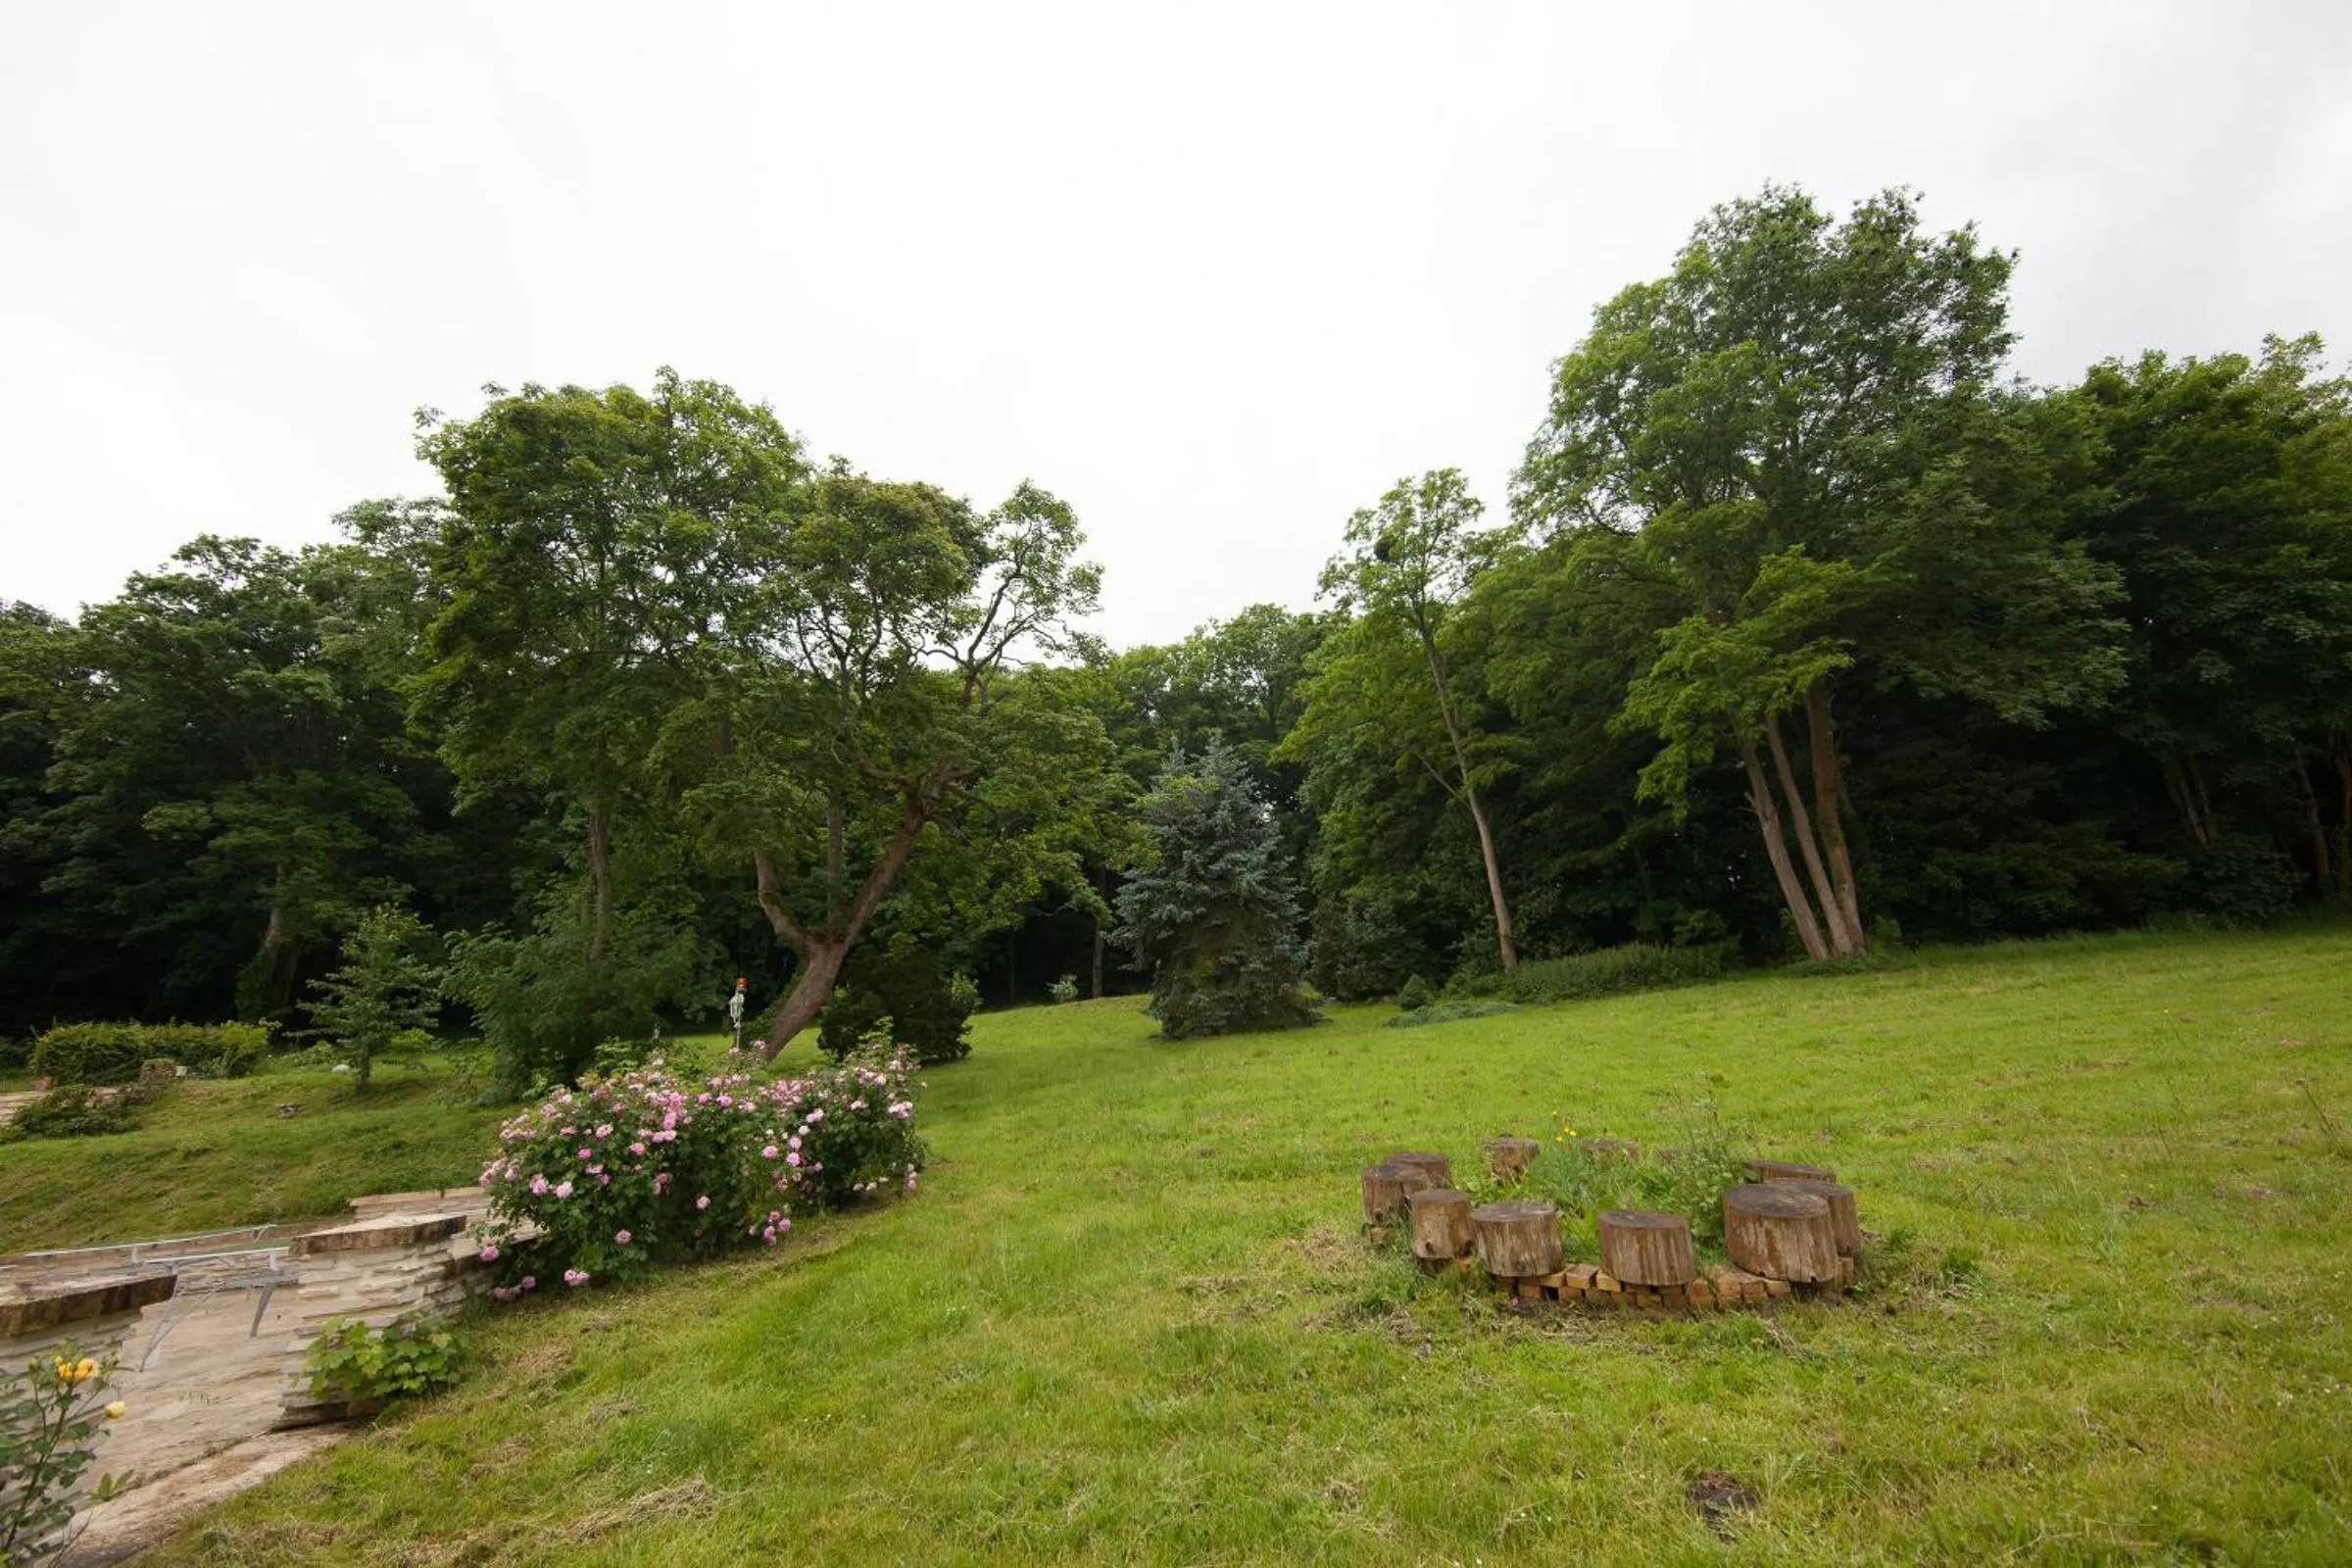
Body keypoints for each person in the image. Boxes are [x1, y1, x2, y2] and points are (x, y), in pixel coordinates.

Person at [727, 976, 748, 1050]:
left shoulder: (742, 992)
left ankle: (737, 1045)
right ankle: (736, 1022)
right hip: (736, 1006)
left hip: (738, 1007)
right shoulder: (737, 992)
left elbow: (742, 992)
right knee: (735, 1014)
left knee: (738, 1014)